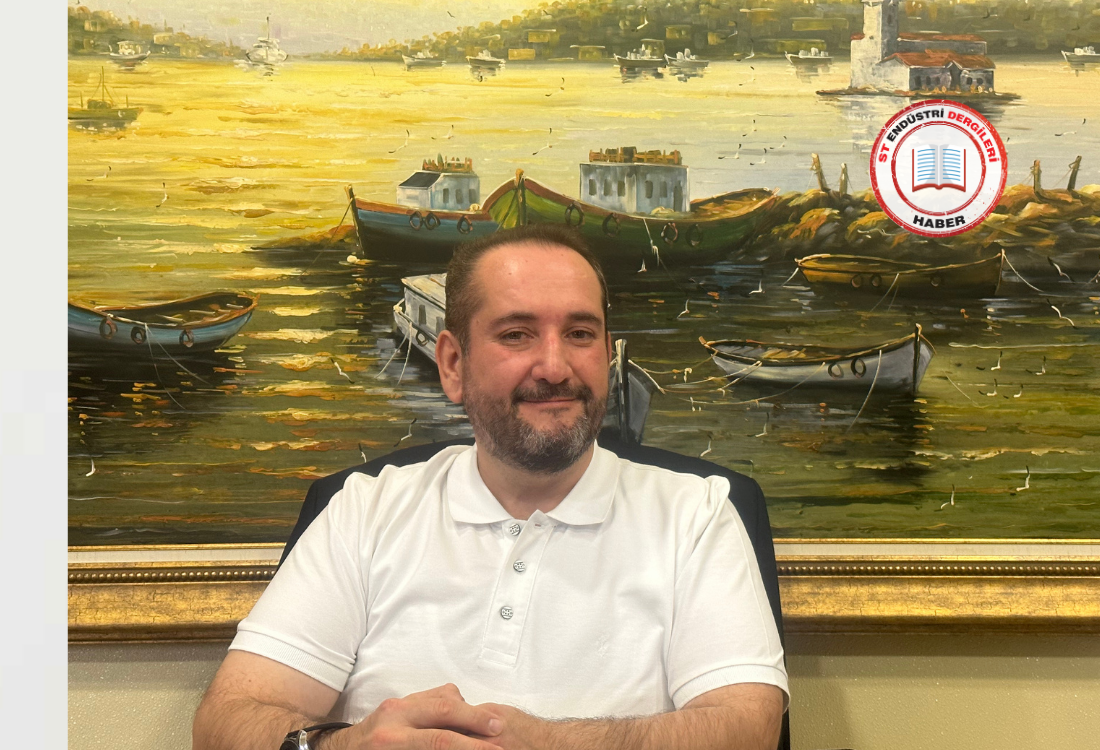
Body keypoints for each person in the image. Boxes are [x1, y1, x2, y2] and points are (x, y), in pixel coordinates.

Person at [193, 225, 788, 750]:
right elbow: (227, 721)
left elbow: (746, 730)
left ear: (608, 354)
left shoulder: (698, 514)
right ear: (453, 364)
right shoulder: (363, 511)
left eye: (580, 333)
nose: (555, 366)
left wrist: (545, 744)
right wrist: (340, 748)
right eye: (517, 334)